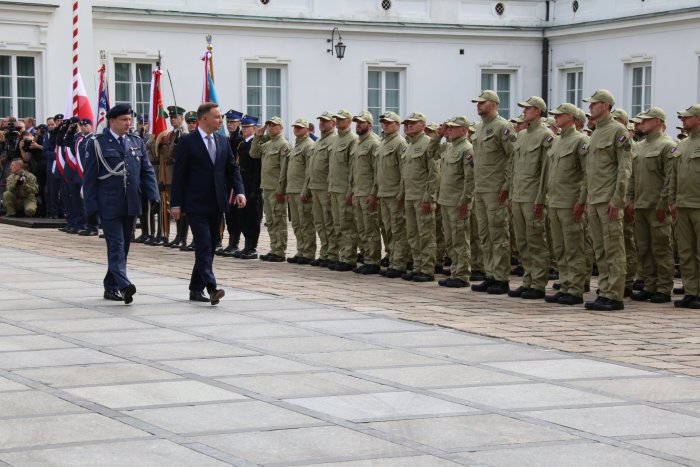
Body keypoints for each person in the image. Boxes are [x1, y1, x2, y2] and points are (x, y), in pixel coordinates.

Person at [171, 102, 246, 305]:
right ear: (204, 119)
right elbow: (179, 175)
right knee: (203, 245)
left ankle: (196, 289)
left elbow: (232, 169)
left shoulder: (222, 141)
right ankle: (211, 287)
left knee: (211, 246)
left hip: (217, 203)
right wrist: (175, 203)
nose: (221, 121)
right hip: (195, 203)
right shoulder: (188, 141)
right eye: (217, 117)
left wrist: (239, 191)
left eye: (220, 117)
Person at [83, 103, 159, 304]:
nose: (129, 123)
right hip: (109, 203)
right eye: (124, 120)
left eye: (129, 119)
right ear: (112, 121)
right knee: (116, 245)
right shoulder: (97, 143)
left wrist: (154, 195)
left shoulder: (136, 142)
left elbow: (146, 171)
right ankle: (124, 285)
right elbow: (89, 178)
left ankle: (110, 287)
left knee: (124, 246)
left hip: (131, 202)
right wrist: (90, 207)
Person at [582, 89, 632, 311]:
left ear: (605, 106)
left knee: (613, 248)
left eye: (594, 104)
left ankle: (615, 294)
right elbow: (590, 171)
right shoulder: (596, 133)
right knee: (600, 249)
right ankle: (604, 290)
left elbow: (624, 169)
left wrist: (618, 199)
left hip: (609, 199)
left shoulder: (617, 131)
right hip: (595, 199)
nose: (590, 107)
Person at [470, 90, 516, 295]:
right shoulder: (479, 128)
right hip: (480, 188)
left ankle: (501, 277)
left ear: (494, 104)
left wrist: (507, 185)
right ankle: (490, 274)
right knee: (484, 234)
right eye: (478, 103)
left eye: (482, 103)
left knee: (498, 233)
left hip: (496, 189)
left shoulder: (503, 127)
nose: (478, 106)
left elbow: (513, 158)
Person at [543, 103, 589, 305]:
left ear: (570, 117)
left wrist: (582, 200)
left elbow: (588, 173)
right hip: (555, 201)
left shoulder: (581, 140)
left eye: (559, 115)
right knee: (560, 247)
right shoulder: (557, 141)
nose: (555, 118)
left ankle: (576, 289)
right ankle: (565, 284)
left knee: (574, 247)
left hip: (571, 202)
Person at [508, 96, 552, 300]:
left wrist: (541, 198)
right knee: (522, 241)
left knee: (536, 241)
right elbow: (514, 167)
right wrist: (511, 193)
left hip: (533, 196)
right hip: (518, 195)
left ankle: (538, 283)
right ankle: (528, 279)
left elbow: (546, 171)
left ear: (538, 111)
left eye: (528, 109)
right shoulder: (522, 135)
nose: (524, 112)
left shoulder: (546, 135)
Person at [435, 116, 474, 288]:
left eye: (453, 128)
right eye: (448, 128)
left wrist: (465, 200)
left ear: (464, 130)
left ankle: (462, 274)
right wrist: (438, 136)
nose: (449, 130)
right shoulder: (449, 148)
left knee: (460, 239)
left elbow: (470, 178)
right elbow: (431, 152)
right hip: (446, 200)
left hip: (458, 202)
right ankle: (455, 271)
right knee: (450, 240)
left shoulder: (467, 149)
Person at [400, 112, 438, 282]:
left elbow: (434, 174)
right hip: (409, 196)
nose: (409, 126)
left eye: (413, 123)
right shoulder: (409, 146)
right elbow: (405, 174)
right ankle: (417, 266)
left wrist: (429, 197)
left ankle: (427, 269)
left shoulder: (428, 144)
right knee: (413, 234)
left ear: (423, 125)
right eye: (407, 124)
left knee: (426, 234)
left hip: (422, 197)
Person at [669, 104, 700, 308]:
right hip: (683, 204)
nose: (683, 121)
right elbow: (673, 175)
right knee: (686, 251)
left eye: (686, 118)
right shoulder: (681, 145)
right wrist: (672, 200)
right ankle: (691, 291)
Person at [251, 116, 291, 262]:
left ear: (281, 127)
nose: (272, 128)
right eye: (270, 125)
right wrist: (257, 136)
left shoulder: (283, 145)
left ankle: (280, 250)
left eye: (274, 125)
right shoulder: (268, 144)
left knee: (279, 218)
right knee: (271, 220)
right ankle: (274, 247)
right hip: (266, 187)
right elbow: (254, 153)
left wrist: (281, 190)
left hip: (276, 189)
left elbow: (284, 170)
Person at [376, 111, 409, 278]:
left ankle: (399, 263)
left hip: (394, 194)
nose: (385, 125)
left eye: (389, 123)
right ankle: (392, 258)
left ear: (397, 125)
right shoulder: (382, 143)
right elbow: (378, 172)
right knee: (388, 229)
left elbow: (404, 172)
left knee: (397, 230)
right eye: (383, 123)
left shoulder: (400, 143)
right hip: (383, 193)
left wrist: (401, 194)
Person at [304, 111, 338, 267]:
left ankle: (332, 253)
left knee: (329, 222)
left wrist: (331, 186)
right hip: (315, 187)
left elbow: (333, 167)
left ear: (333, 123)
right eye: (321, 121)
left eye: (326, 121)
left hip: (326, 187)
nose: (322, 123)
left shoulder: (334, 140)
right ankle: (325, 252)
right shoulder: (318, 141)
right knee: (319, 222)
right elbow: (311, 168)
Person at [328, 109, 360, 271]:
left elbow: (352, 169)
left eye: (341, 120)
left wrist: (350, 191)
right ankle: (342, 255)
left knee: (347, 224)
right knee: (337, 225)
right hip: (335, 188)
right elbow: (333, 168)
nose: (338, 122)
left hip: (344, 190)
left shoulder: (352, 140)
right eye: (337, 119)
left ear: (349, 121)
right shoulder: (335, 140)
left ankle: (349, 258)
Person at [351, 110, 382, 274]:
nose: (358, 125)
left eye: (361, 123)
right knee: (362, 229)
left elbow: (377, 171)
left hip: (369, 192)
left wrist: (373, 193)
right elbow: (354, 170)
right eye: (357, 122)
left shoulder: (373, 143)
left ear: (369, 125)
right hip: (359, 191)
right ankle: (366, 257)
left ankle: (374, 260)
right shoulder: (358, 143)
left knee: (371, 228)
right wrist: (353, 191)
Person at [230, 115, 263, 259]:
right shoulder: (242, 144)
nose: (243, 129)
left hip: (251, 184)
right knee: (242, 216)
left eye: (247, 127)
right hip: (242, 182)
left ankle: (252, 247)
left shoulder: (255, 144)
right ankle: (246, 245)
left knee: (252, 216)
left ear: (254, 129)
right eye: (242, 127)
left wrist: (255, 189)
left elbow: (258, 168)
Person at [286, 118, 316, 264]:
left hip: (301, 191)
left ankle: (308, 252)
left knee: (306, 223)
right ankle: (301, 250)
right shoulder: (296, 146)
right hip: (292, 190)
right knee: (297, 224)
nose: (296, 130)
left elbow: (309, 171)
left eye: (300, 127)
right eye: (295, 127)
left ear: (307, 129)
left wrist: (305, 190)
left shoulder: (308, 146)